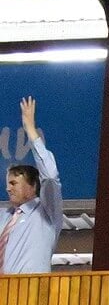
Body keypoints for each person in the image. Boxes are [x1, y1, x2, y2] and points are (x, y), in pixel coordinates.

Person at [2, 97, 64, 274]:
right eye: (8, 184)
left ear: (32, 186)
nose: (8, 189)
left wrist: (30, 129)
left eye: (14, 183)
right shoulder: (3, 217)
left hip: (33, 294)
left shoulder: (46, 212)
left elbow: (50, 176)